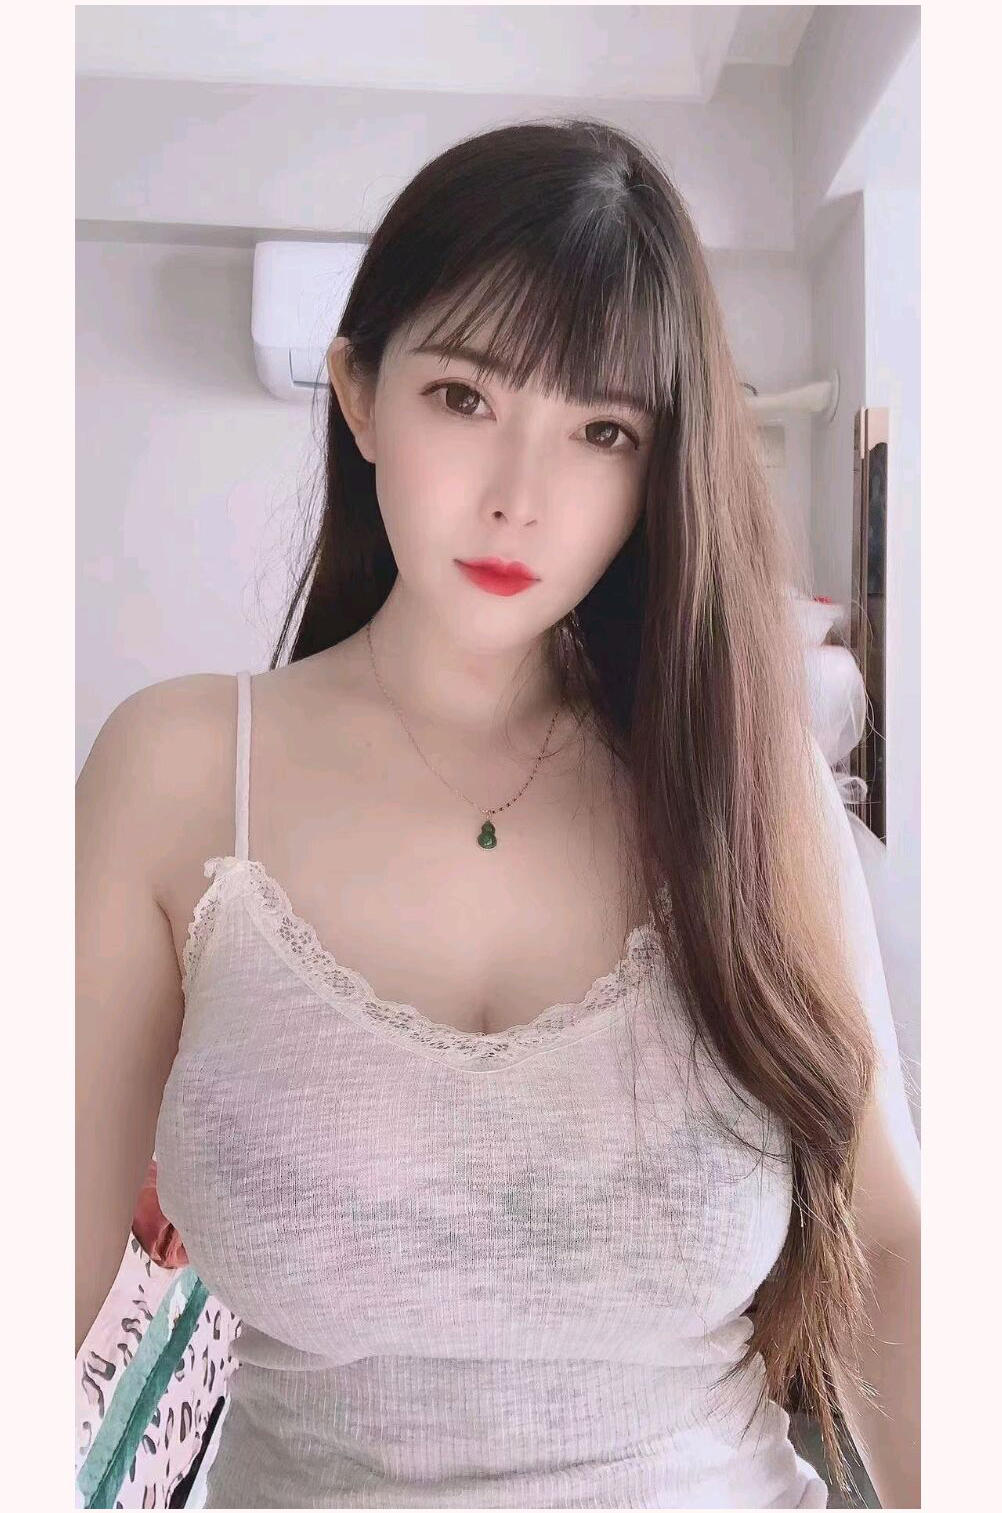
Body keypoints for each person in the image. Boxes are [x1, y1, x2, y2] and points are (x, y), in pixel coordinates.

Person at [76, 118, 920, 1509]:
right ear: (358, 394)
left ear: (657, 470)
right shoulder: (176, 773)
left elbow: (887, 1239)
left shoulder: (741, 780)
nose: (521, 499)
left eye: (601, 431)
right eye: (464, 397)